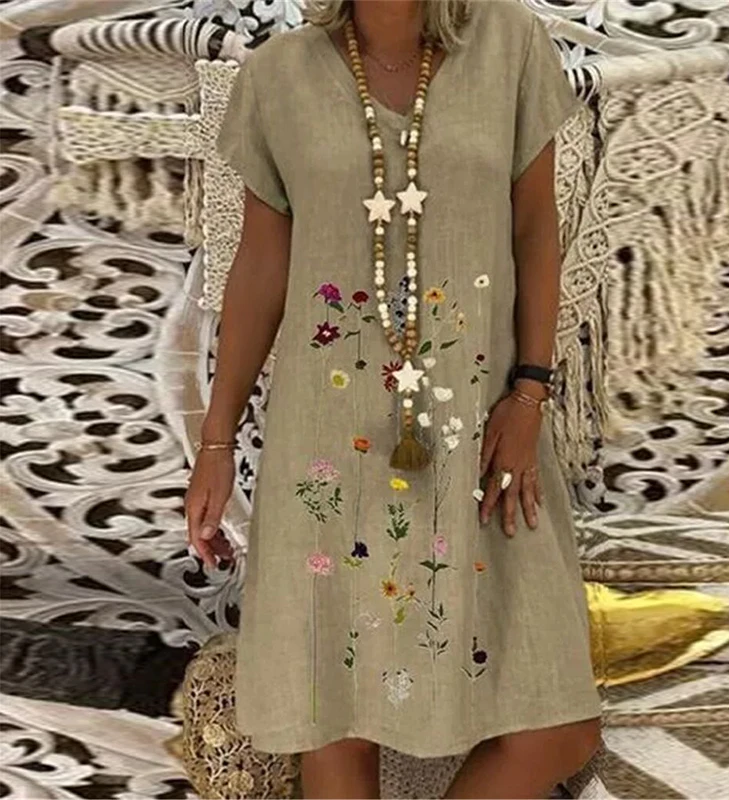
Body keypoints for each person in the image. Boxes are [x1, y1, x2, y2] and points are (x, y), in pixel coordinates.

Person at [184, 0, 601, 796]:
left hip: (481, 435)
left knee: (557, 727)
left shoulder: (508, 45)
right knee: (336, 719)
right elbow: (261, 268)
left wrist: (531, 393)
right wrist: (216, 440)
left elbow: (536, 229)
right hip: (326, 445)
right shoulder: (278, 76)